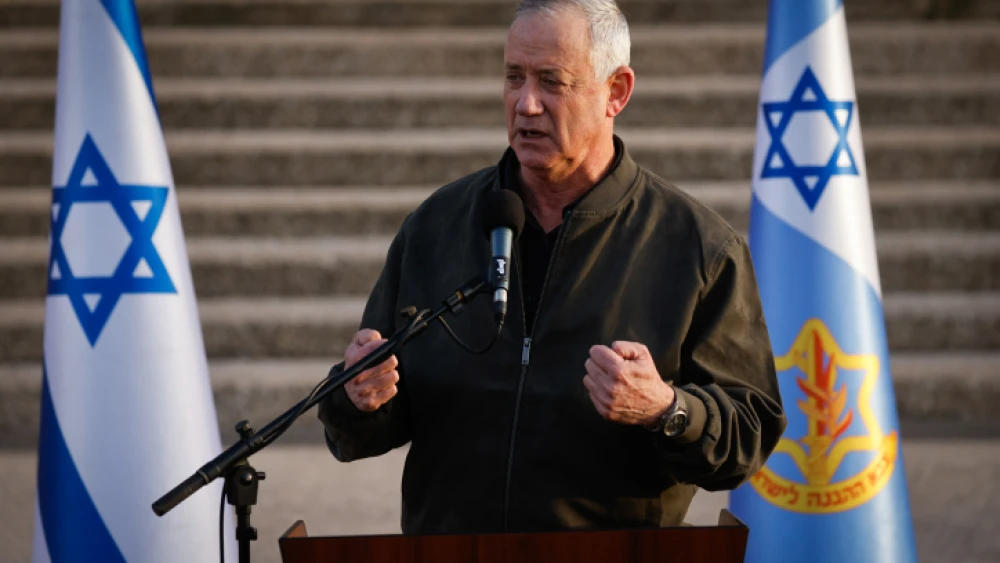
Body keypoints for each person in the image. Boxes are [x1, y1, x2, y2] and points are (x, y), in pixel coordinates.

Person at [319, 0, 786, 534]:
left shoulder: (697, 248)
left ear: (616, 92)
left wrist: (668, 409)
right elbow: (359, 429)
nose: (526, 104)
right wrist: (359, 397)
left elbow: (749, 431)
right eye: (514, 77)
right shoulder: (436, 227)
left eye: (552, 81)